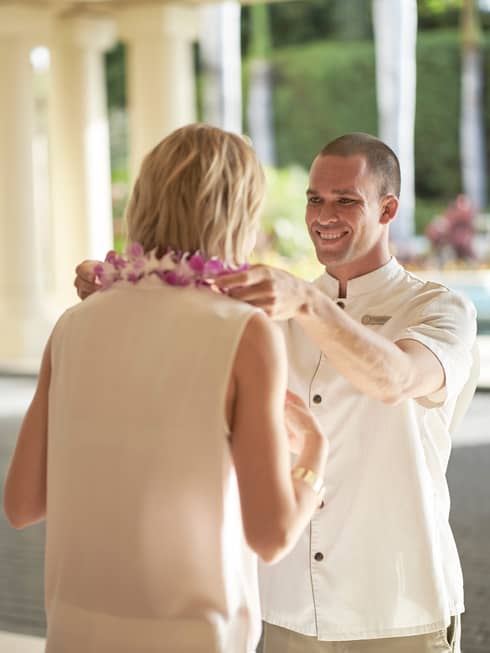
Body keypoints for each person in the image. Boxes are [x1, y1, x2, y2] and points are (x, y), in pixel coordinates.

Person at [74, 132, 477, 652]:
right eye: (315, 198)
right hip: (282, 606)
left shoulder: (440, 308)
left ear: (388, 208)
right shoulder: (271, 311)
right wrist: (120, 293)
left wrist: (307, 303)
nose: (323, 214)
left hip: (398, 605)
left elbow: (394, 379)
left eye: (345, 200)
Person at [3, 123, 329, 653]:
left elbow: (21, 504)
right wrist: (316, 450)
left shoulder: (74, 325)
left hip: (75, 633)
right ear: (240, 212)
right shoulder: (244, 332)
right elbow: (270, 535)